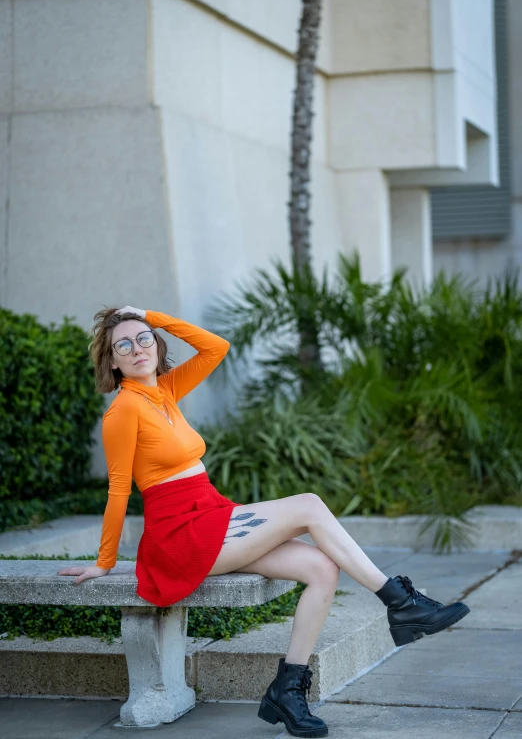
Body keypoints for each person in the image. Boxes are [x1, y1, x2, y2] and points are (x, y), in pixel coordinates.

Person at [58, 305, 470, 739]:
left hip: (209, 514)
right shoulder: (122, 411)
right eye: (124, 344)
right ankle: (400, 603)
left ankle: (288, 691)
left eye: (144, 339)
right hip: (178, 535)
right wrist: (104, 561)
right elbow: (119, 488)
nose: (137, 348)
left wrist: (151, 316)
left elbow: (216, 347)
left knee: (321, 569)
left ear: (157, 346)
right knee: (309, 505)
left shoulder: (165, 391)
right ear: (112, 361)